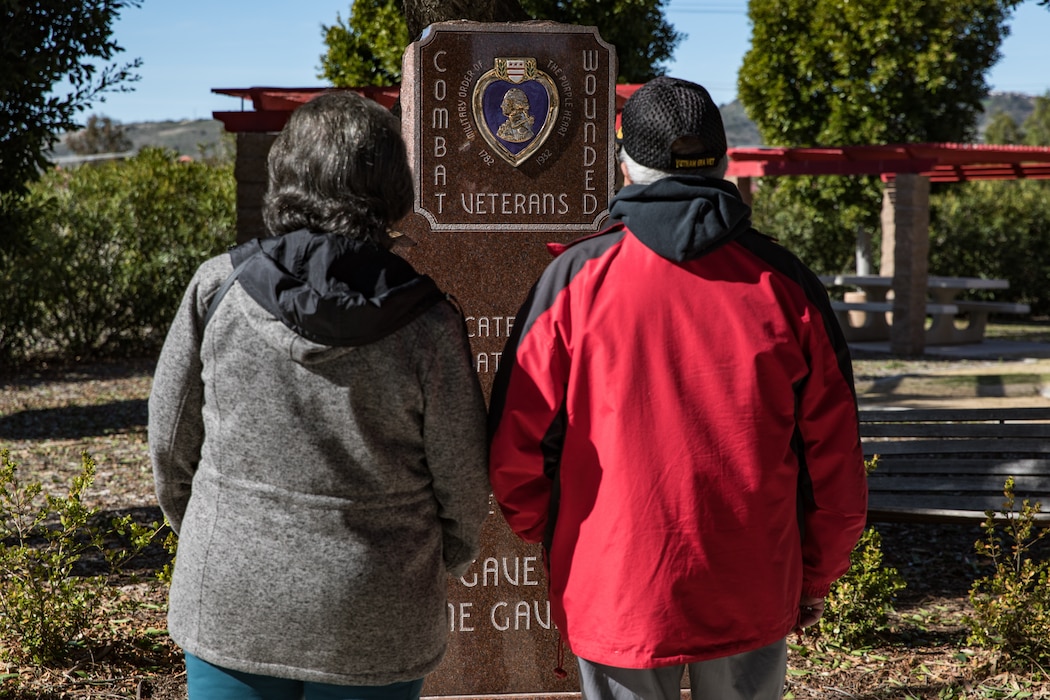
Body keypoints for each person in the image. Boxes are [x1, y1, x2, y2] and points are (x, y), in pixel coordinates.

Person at [487, 76, 868, 700]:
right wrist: (814, 574)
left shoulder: (572, 282)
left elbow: (513, 453)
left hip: (616, 582)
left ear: (625, 163)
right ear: (723, 160)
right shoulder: (785, 282)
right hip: (753, 578)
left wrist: (557, 536)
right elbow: (837, 465)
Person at [148, 90, 491, 700]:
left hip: (233, 596)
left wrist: (214, 532)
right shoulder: (429, 324)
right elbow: (463, 484)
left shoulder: (216, 288)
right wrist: (433, 568)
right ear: (390, 184)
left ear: (287, 172)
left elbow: (170, 443)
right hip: (379, 608)